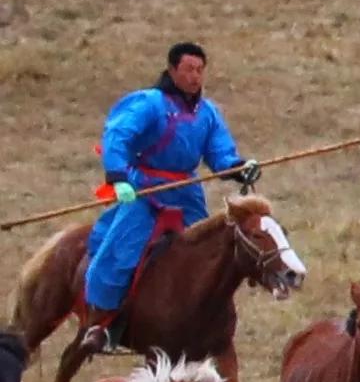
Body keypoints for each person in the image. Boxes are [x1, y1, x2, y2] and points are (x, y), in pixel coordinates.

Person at [78, 40, 250, 317]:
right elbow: (117, 137)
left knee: (204, 253)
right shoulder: (149, 103)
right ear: (172, 70)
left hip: (186, 193)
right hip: (144, 190)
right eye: (188, 69)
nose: (195, 77)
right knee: (121, 252)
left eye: (200, 70)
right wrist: (119, 178)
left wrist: (238, 167)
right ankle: (100, 319)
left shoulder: (208, 113)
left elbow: (220, 152)